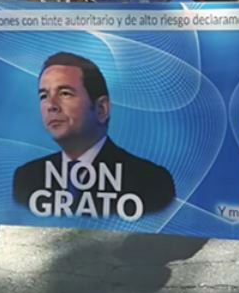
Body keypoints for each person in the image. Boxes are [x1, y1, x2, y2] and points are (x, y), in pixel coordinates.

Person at [12, 52, 176, 215]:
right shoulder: (27, 178)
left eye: (65, 93)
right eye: (44, 96)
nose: (51, 105)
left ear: (101, 109)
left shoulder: (151, 181)